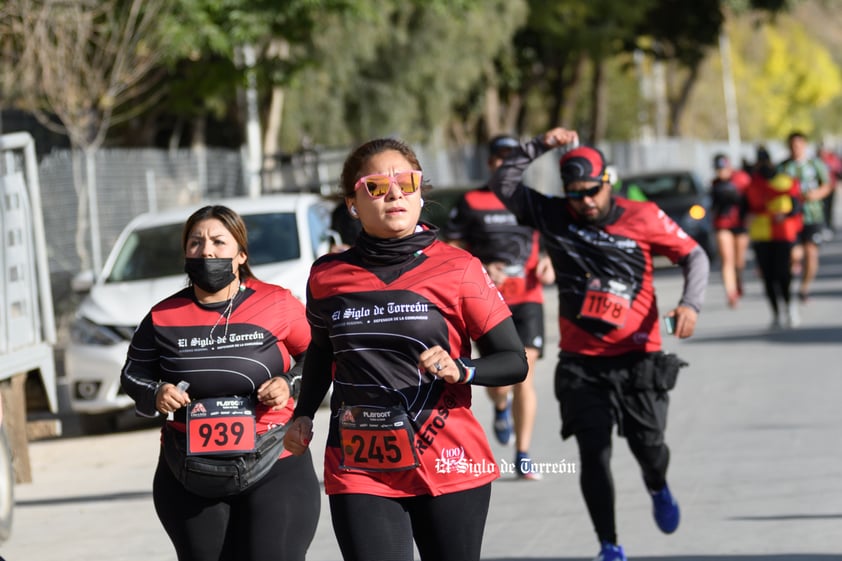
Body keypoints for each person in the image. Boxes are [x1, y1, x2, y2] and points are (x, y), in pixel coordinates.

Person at [283, 137, 528, 561]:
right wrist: (303, 412)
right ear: (353, 203)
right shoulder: (327, 275)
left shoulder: (458, 267)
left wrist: (462, 369)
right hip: (359, 464)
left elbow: (513, 361)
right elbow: (322, 352)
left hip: (448, 458)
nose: (395, 193)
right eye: (377, 185)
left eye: (407, 182)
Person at [489, 127, 710, 561]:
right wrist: (540, 145)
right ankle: (609, 545)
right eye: (575, 193)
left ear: (608, 181)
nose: (585, 201)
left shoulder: (642, 215)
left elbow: (694, 255)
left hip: (638, 357)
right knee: (594, 452)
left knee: (650, 450)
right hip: (582, 361)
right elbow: (504, 183)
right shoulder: (554, 214)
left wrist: (691, 304)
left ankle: (657, 484)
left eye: (592, 191)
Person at [120, 205, 320, 561]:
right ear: (185, 253)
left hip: (275, 459)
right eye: (195, 243)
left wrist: (288, 383)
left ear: (241, 254)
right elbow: (133, 374)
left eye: (217, 241)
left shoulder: (278, 303)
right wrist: (157, 392)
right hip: (190, 471)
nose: (206, 251)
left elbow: (318, 357)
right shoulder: (162, 315)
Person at [442, 134, 554, 480]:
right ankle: (501, 406)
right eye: (499, 158)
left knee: (526, 373)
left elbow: (552, 240)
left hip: (528, 299)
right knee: (501, 382)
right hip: (488, 301)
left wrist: (549, 261)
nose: (505, 163)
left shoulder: (532, 201)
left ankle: (523, 453)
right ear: (489, 163)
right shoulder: (472, 201)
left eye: (512, 158)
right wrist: (480, 267)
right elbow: (449, 245)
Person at [746, 146, 803, 329]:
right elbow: (744, 209)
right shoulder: (752, 184)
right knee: (768, 277)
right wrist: (747, 216)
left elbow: (796, 207)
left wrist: (785, 216)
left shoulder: (786, 182)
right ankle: (776, 313)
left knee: (783, 274)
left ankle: (789, 307)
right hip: (761, 235)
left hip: (783, 234)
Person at [778, 131, 832, 304]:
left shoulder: (815, 164)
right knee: (794, 254)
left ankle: (804, 287)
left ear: (804, 145)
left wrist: (816, 194)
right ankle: (793, 272)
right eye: (793, 145)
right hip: (791, 217)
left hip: (812, 215)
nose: (796, 148)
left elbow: (827, 185)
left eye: (799, 145)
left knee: (811, 253)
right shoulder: (783, 167)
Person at [710, 153, 751, 308]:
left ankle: (738, 279)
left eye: (724, 168)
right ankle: (731, 292)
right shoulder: (715, 184)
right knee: (727, 259)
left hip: (740, 223)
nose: (721, 172)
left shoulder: (741, 179)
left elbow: (750, 199)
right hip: (722, 224)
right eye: (718, 169)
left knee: (739, 261)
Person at [817, 142, 842, 236]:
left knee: (829, 208)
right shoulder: (817, 161)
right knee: (821, 208)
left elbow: (838, 171)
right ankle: (822, 226)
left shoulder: (832, 159)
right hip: (820, 189)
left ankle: (828, 225)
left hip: (831, 187)